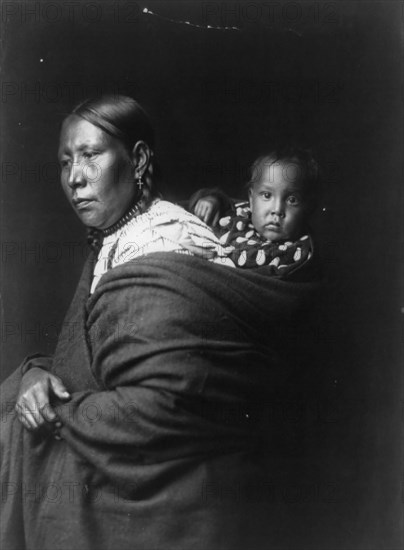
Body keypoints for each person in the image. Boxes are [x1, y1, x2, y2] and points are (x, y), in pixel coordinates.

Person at [1, 97, 320, 550]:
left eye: (91, 156)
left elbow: (159, 408)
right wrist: (37, 375)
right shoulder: (116, 237)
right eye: (66, 162)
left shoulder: (164, 242)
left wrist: (56, 411)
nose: (74, 177)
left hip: (174, 494)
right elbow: (88, 363)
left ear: (139, 160)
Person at [189, 147, 319, 274]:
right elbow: (226, 204)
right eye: (267, 195)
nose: (277, 210)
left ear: (307, 208)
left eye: (292, 200)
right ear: (251, 199)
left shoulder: (297, 255)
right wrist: (211, 200)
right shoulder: (242, 213)